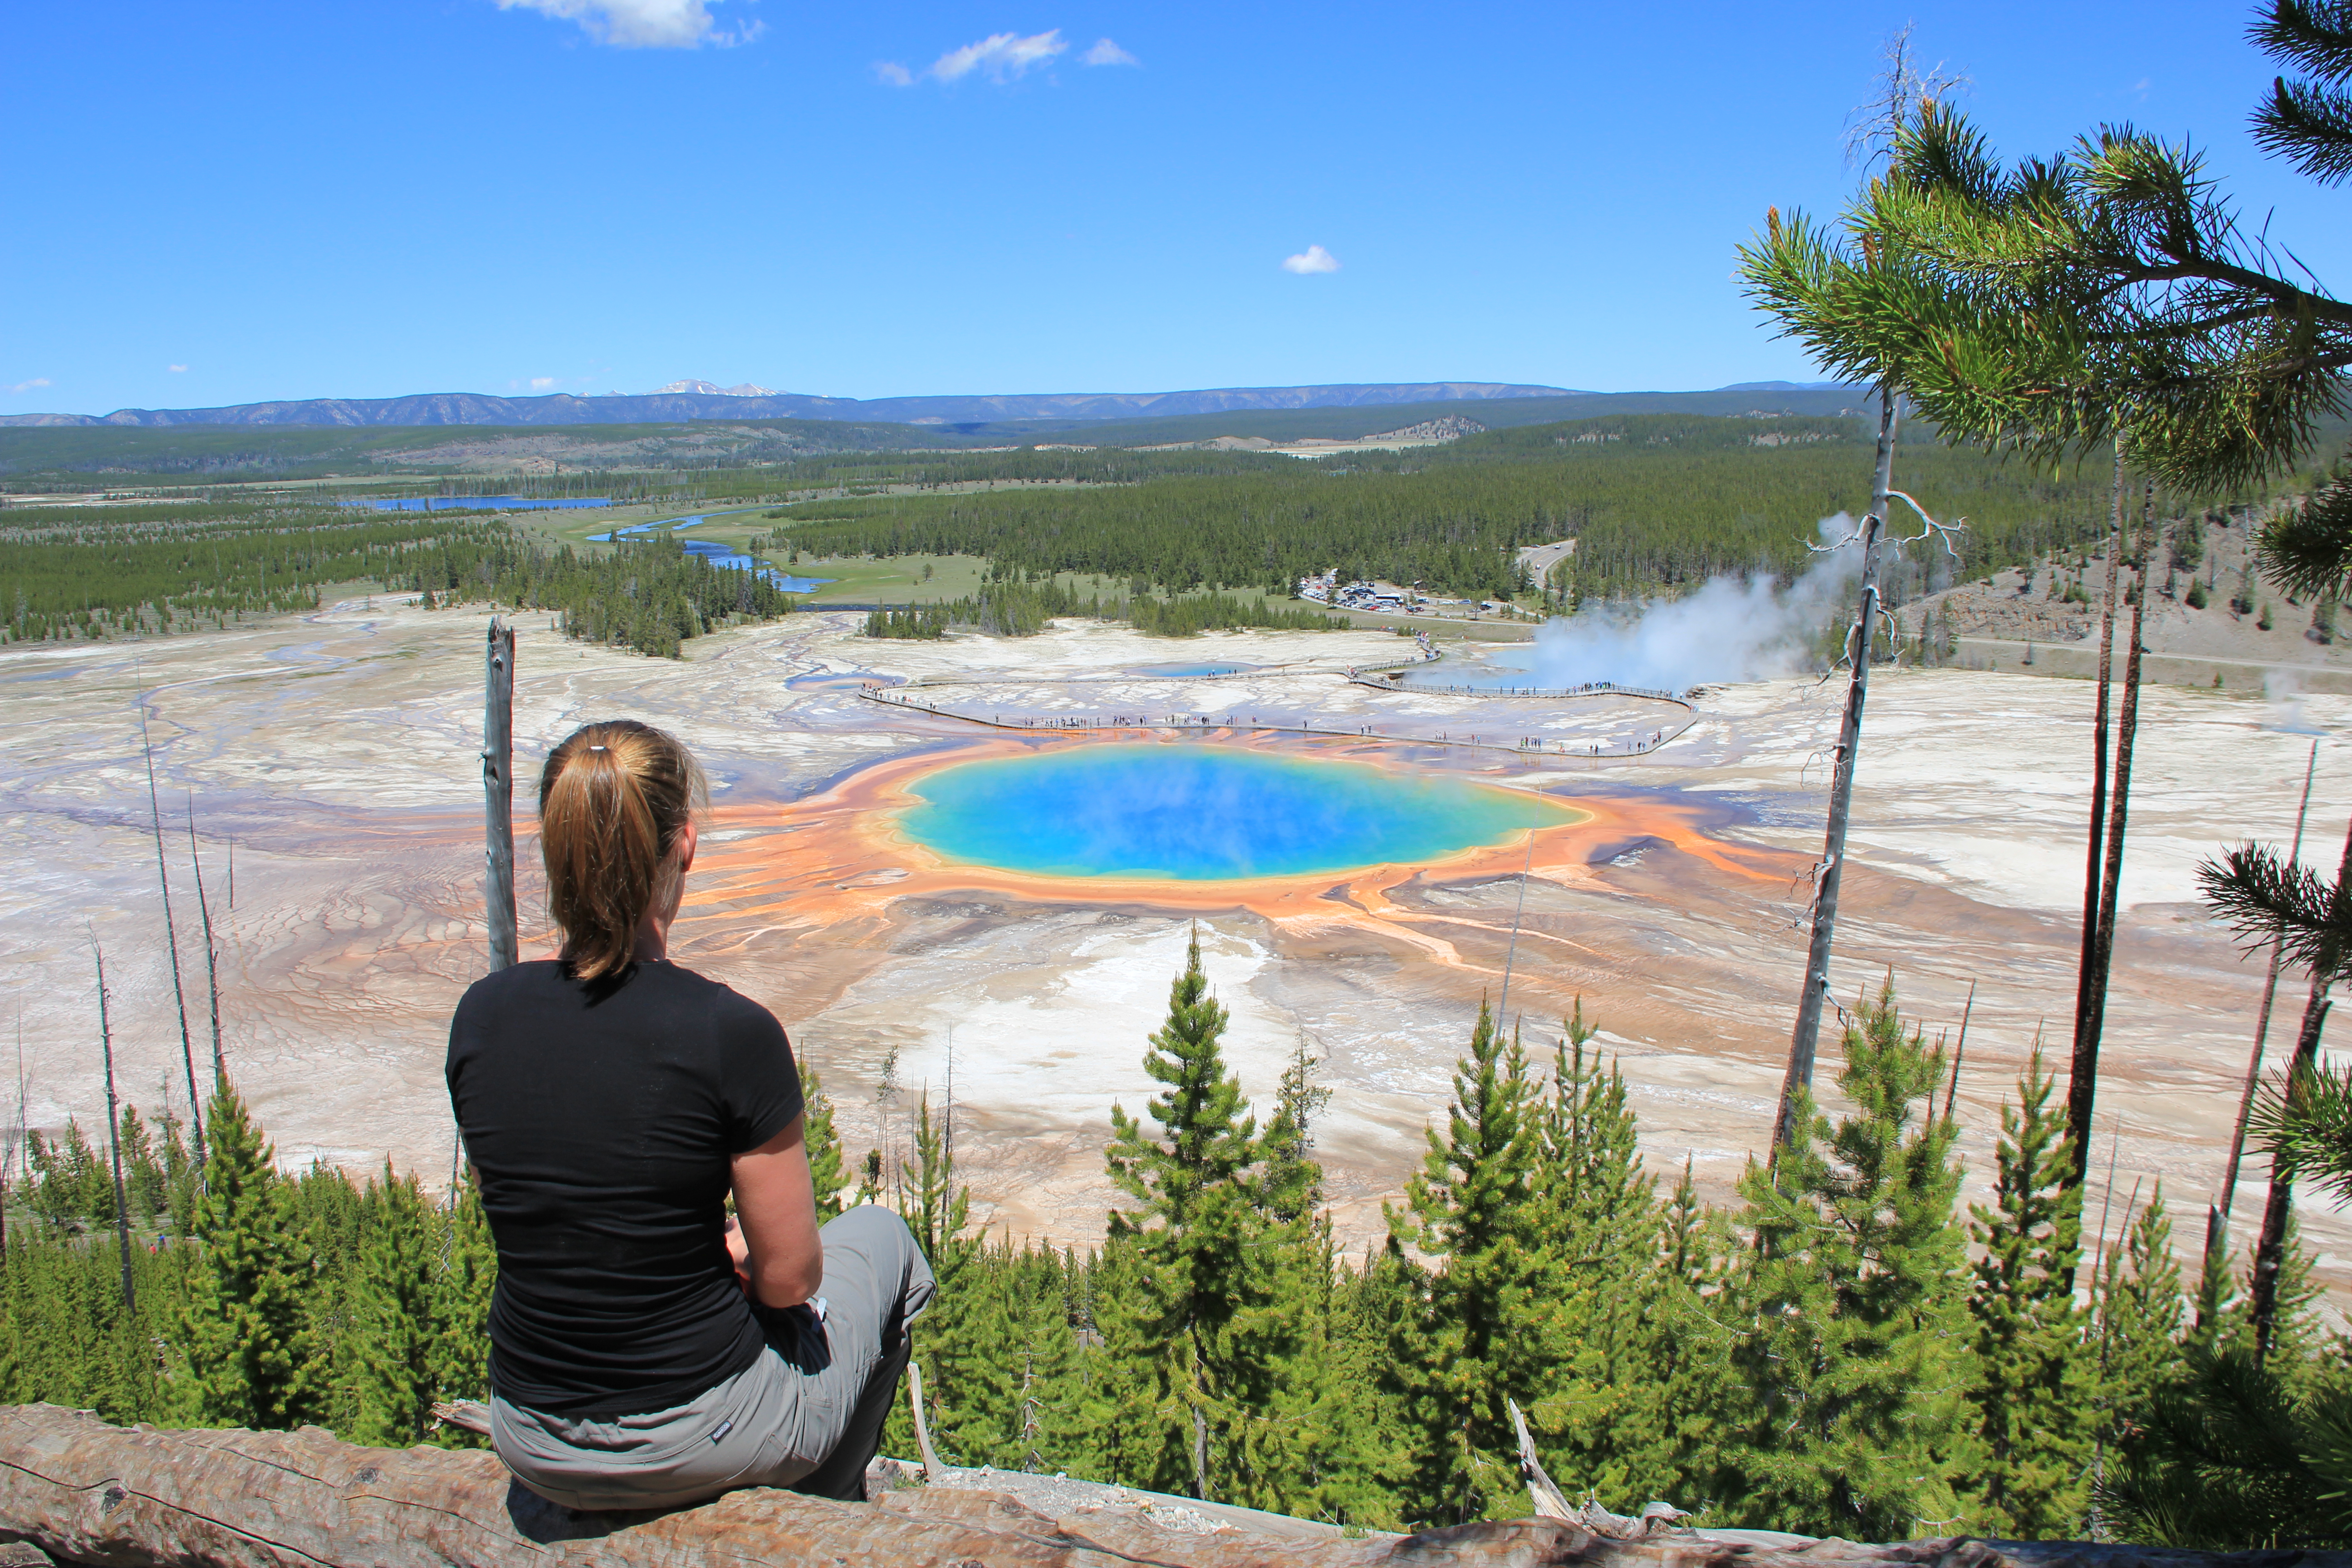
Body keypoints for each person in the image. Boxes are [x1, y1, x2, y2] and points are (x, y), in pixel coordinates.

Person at [447, 719, 933, 1510]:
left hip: (529, 1431)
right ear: (685, 846)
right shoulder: (728, 1033)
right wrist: (737, 1251)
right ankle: (830, 1509)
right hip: (691, 1430)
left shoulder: (479, 1016)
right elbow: (791, 1280)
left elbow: (565, 1195)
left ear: (554, 850)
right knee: (884, 1241)